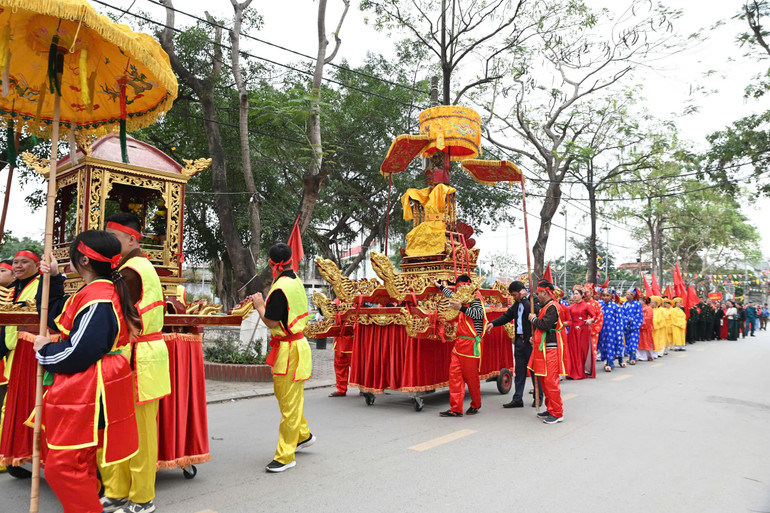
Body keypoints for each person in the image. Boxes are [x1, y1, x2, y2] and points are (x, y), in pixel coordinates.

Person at [34, 230, 140, 513]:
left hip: (91, 387)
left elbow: (81, 351)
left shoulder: (100, 297)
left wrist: (45, 352)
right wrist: (54, 277)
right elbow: (58, 316)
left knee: (63, 468)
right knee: (78, 464)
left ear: (83, 260)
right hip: (89, 385)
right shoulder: (96, 289)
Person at [72, 213, 170, 513]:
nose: (108, 243)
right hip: (127, 357)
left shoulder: (133, 271)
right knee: (116, 429)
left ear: (132, 239)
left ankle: (142, 497)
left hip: (140, 358)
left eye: (114, 238)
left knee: (139, 432)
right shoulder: (124, 268)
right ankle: (116, 492)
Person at [250, 243, 314, 472]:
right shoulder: (295, 281)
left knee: (289, 404)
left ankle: (286, 455)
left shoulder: (280, 288)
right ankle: (303, 435)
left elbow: (271, 322)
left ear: (271, 263)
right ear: (290, 260)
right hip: (295, 345)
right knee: (289, 399)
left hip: (289, 350)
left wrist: (259, 306)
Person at [0, 250, 41, 478]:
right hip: (13, 350)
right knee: (10, 406)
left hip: (27, 351)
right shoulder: (16, 287)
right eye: (15, 262)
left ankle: (14, 454)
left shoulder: (39, 285)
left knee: (17, 406)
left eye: (24, 262)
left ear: (36, 265)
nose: (18, 266)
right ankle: (10, 454)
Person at [435, 274, 487, 417]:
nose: (458, 291)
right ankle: (456, 408)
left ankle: (476, 404)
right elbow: (451, 295)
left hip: (471, 344)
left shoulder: (476, 297)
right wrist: (439, 286)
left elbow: (478, 314)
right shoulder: (462, 297)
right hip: (459, 344)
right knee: (454, 376)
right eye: (457, 288)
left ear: (467, 285)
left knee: (471, 378)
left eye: (460, 287)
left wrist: (461, 308)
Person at [485, 281, 536, 408]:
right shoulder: (516, 304)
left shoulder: (532, 301)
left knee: (535, 370)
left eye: (515, 295)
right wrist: (493, 323)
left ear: (521, 292)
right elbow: (507, 316)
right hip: (519, 341)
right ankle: (518, 398)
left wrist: (524, 299)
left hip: (531, 341)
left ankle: (538, 397)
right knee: (519, 371)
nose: (514, 297)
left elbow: (533, 313)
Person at [527, 280, 566, 424]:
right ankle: (550, 408)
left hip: (551, 349)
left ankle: (557, 412)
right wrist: (535, 338)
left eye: (538, 293)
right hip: (543, 348)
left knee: (550, 381)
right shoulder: (546, 307)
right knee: (544, 380)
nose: (537, 296)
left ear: (545, 292)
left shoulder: (553, 307)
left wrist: (534, 319)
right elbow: (541, 329)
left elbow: (545, 325)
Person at [565, 286, 595, 379]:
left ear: (582, 295)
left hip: (583, 330)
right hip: (573, 330)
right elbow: (567, 317)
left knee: (581, 350)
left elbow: (594, 316)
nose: (575, 296)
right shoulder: (570, 307)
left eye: (577, 294)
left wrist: (590, 321)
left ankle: (580, 371)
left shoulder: (586, 306)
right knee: (572, 350)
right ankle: (572, 372)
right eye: (574, 294)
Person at [598, 288, 623, 372]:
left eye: (607, 296)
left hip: (612, 331)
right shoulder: (600, 305)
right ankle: (606, 360)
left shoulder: (615, 306)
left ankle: (610, 362)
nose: (605, 297)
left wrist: (618, 331)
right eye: (604, 295)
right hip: (602, 330)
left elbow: (619, 320)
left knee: (610, 345)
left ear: (611, 296)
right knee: (603, 346)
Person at [583, 283, 603, 369]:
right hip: (582, 330)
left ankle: (591, 368)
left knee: (592, 348)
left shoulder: (596, 304)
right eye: (584, 292)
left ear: (591, 293)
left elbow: (600, 317)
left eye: (587, 292)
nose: (585, 294)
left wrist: (592, 326)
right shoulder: (581, 303)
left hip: (593, 330)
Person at [621, 288, 643, 364]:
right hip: (627, 326)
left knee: (633, 341)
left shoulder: (637, 304)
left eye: (629, 294)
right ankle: (632, 357)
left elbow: (639, 314)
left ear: (633, 296)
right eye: (626, 294)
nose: (627, 296)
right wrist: (627, 320)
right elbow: (622, 314)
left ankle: (632, 358)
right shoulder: (624, 304)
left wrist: (632, 320)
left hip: (635, 326)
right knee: (628, 342)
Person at [637, 296, 656, 361]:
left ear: (644, 301)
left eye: (640, 300)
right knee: (640, 342)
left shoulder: (648, 308)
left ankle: (649, 355)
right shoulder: (638, 308)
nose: (639, 301)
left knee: (646, 341)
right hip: (639, 327)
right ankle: (641, 356)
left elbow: (649, 318)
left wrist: (641, 323)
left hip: (646, 328)